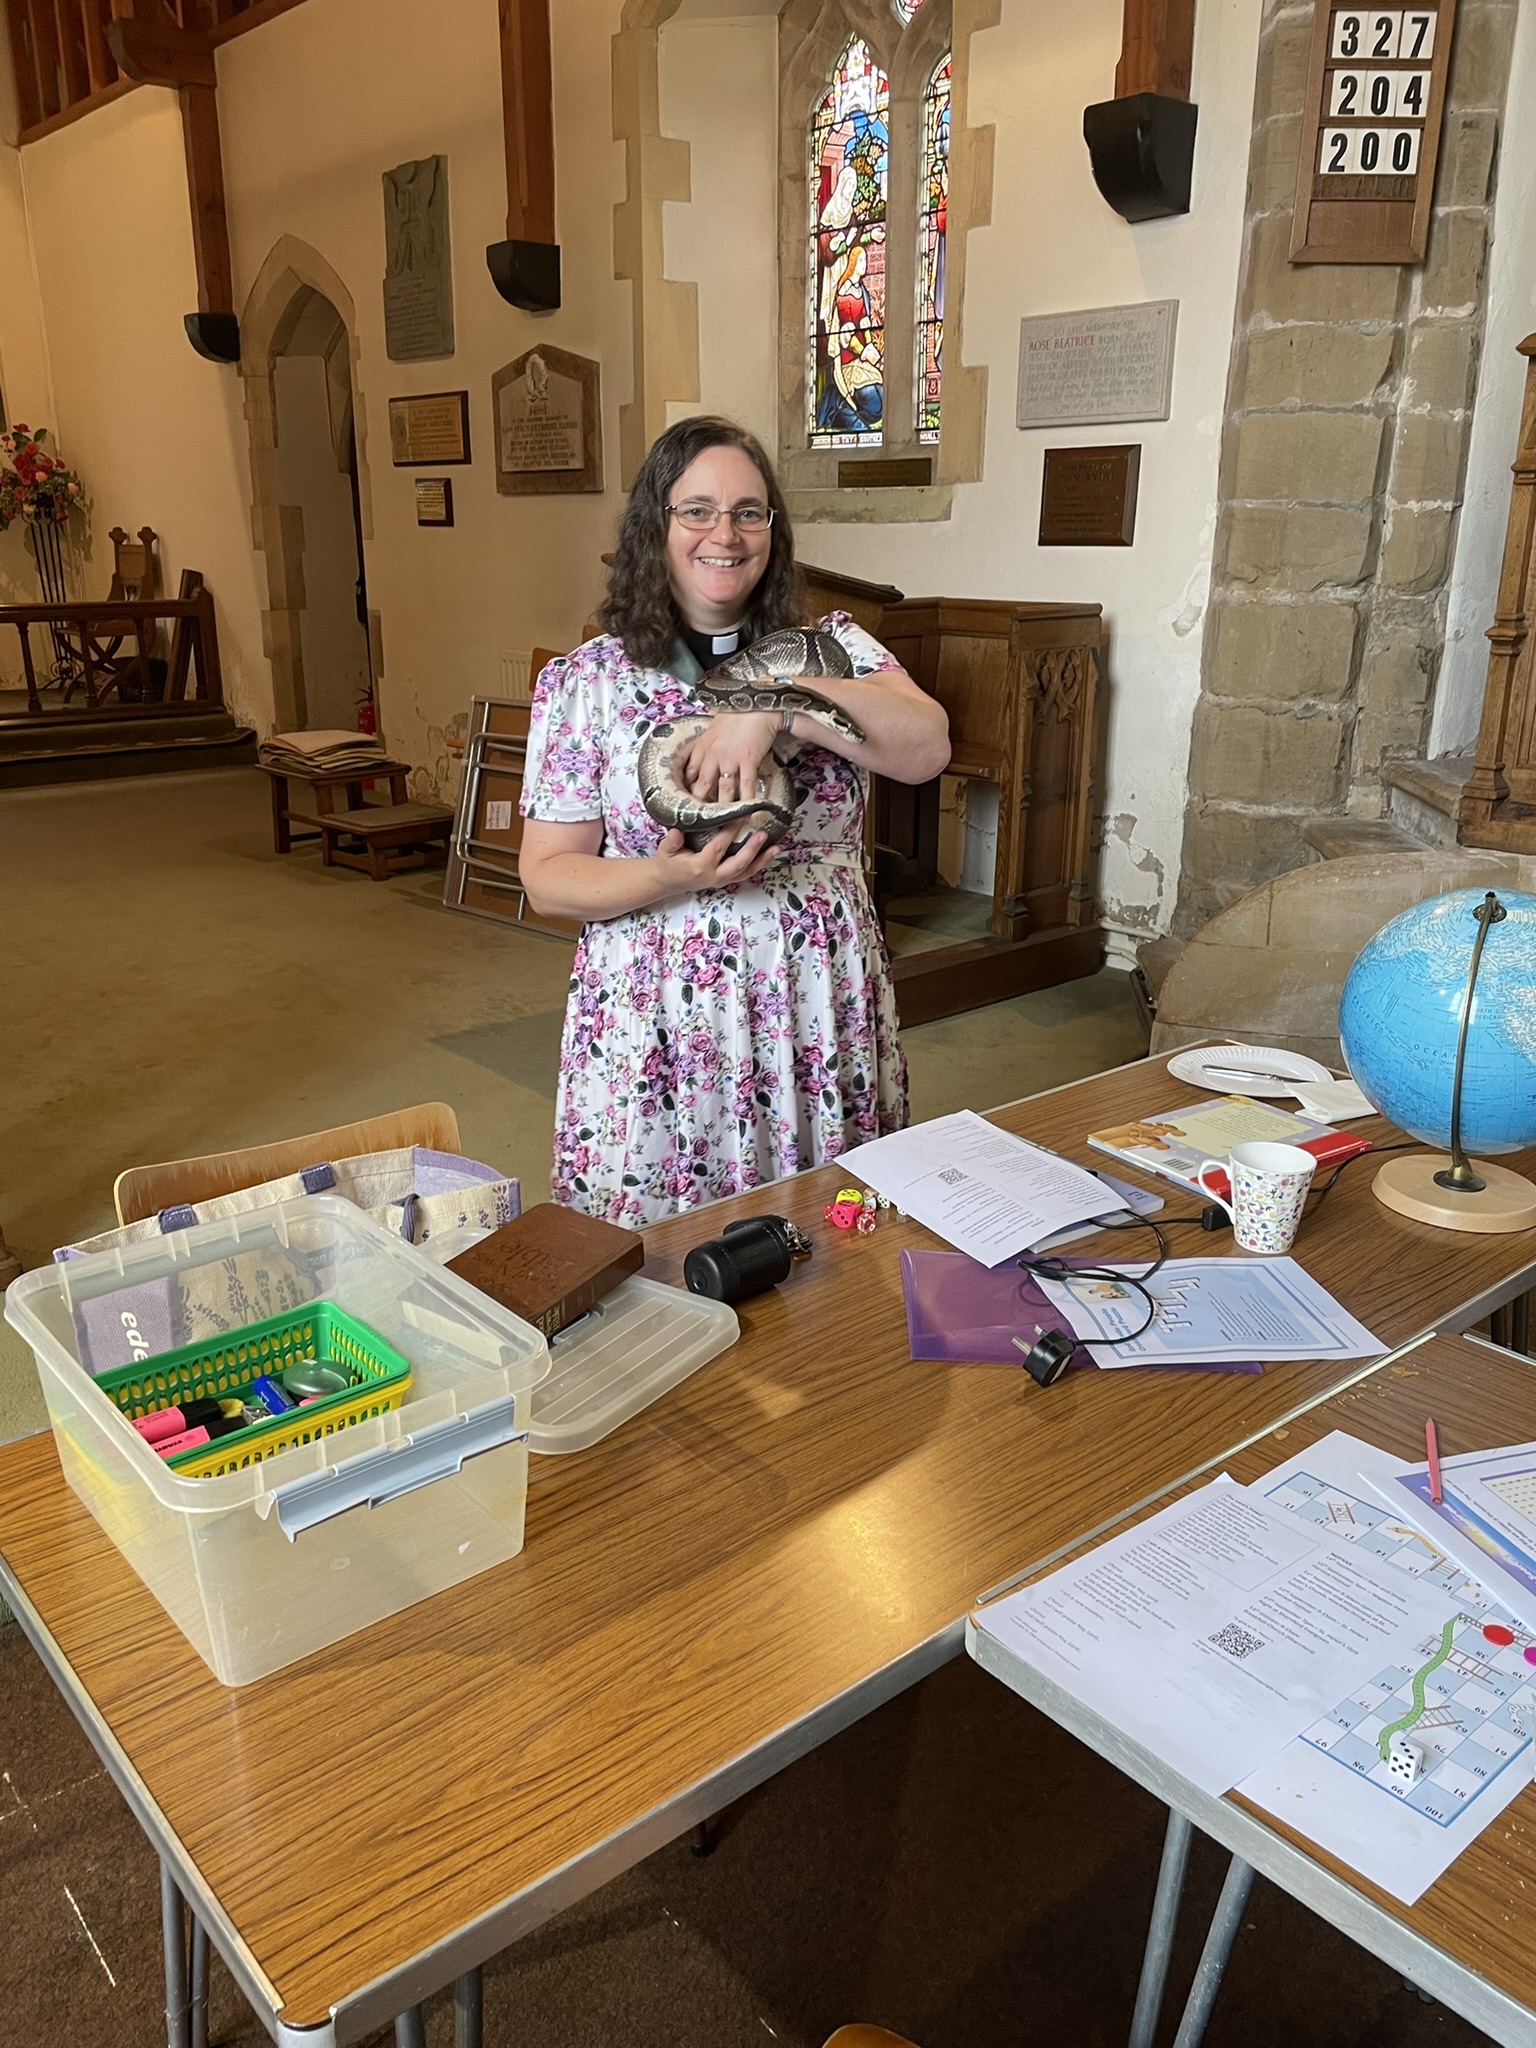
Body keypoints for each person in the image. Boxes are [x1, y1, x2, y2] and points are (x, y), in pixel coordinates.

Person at [518, 415, 950, 1226]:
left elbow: (927, 747)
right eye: (697, 510)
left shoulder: (835, 648)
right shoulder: (590, 681)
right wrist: (667, 874)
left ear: (772, 530)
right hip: (657, 1010)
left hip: (811, 997)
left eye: (749, 512)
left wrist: (775, 707)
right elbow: (547, 879)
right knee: (660, 1249)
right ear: (655, 524)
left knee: (826, 1243)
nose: (725, 534)